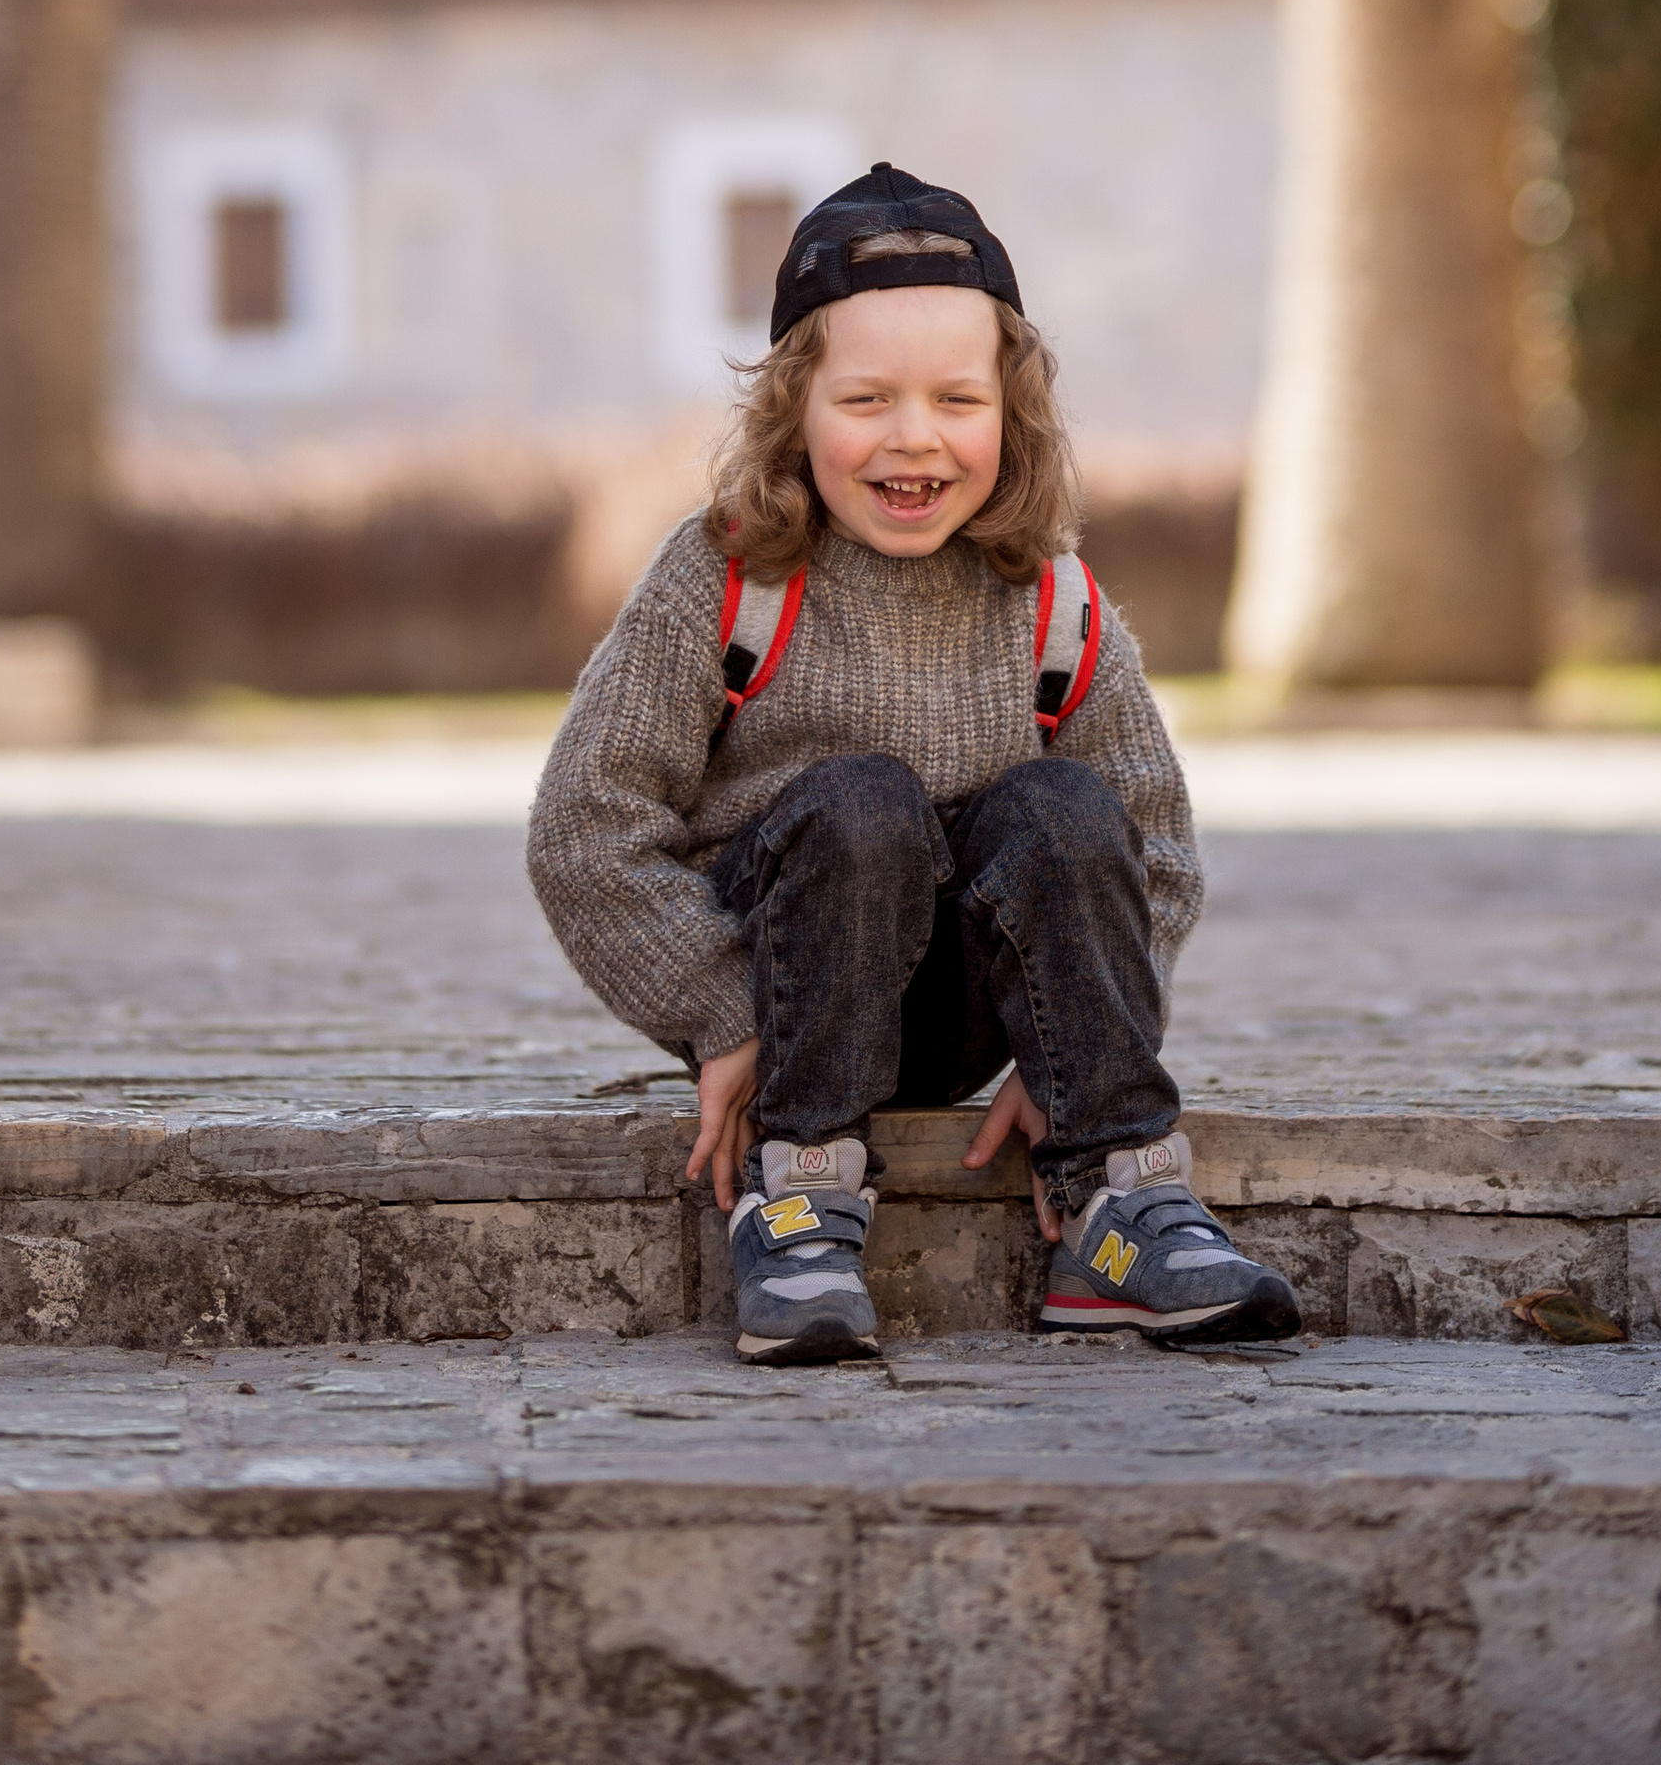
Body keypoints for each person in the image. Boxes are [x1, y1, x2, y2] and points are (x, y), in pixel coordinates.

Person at [527, 159, 1299, 1365]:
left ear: (1012, 413)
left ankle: (1117, 1201)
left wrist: (1077, 1037)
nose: (914, 438)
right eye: (866, 400)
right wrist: (725, 1017)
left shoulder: (1051, 600)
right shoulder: (726, 580)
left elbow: (1156, 855)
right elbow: (586, 824)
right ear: (791, 412)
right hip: (782, 990)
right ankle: (797, 1198)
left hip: (960, 1011)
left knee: (1060, 805)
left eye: (956, 401)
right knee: (862, 800)